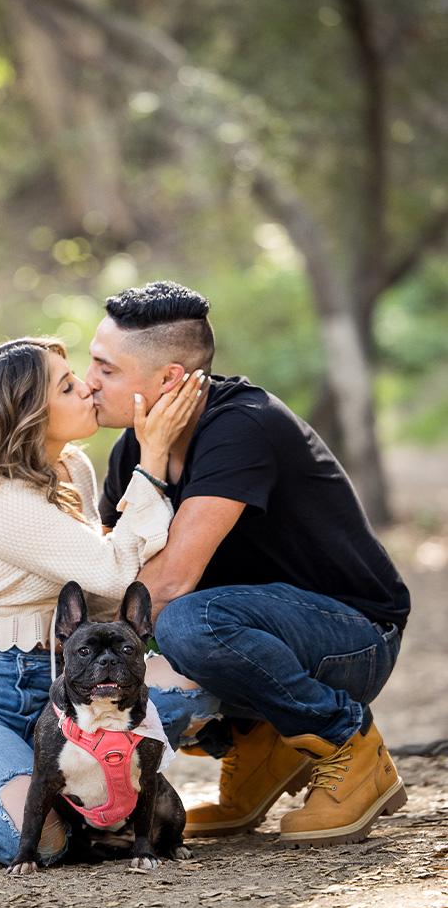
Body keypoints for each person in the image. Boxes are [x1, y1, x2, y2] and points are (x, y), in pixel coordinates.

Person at [87, 280, 411, 848]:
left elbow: (164, 584)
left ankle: (348, 744)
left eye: (106, 369)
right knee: (133, 656)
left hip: (353, 638)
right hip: (252, 634)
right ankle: (257, 744)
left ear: (169, 380)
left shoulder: (243, 426)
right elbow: (109, 573)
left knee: (179, 624)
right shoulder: (134, 451)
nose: (90, 382)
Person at [0, 336, 214, 866]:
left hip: (61, 684)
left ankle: (79, 788)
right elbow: (113, 570)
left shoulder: (73, 469)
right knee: (47, 841)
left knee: (192, 681)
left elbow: (100, 598)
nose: (88, 386)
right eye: (67, 385)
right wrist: (152, 456)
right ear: (27, 415)